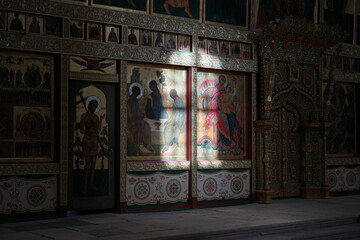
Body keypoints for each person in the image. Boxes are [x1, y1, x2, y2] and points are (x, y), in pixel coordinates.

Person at [80, 99, 105, 194]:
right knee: (87, 165)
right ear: (89, 105)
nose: (94, 108)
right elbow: (82, 130)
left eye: (96, 106)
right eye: (93, 106)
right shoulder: (84, 116)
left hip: (94, 141)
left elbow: (97, 130)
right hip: (87, 140)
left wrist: (101, 120)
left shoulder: (96, 117)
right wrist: (89, 133)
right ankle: (85, 186)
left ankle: (91, 184)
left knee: (93, 165)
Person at [127, 85, 154, 154]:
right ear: (134, 92)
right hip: (132, 122)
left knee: (147, 125)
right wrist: (134, 120)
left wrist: (141, 115)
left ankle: (147, 145)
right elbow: (130, 113)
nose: (138, 93)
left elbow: (139, 111)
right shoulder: (130, 101)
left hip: (137, 120)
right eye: (137, 92)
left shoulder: (136, 101)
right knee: (141, 125)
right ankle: (138, 145)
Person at [162, 89, 184, 153]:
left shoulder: (179, 102)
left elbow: (182, 113)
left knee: (167, 129)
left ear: (175, 94)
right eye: (171, 96)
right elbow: (174, 114)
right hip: (175, 121)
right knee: (167, 127)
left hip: (179, 122)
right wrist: (168, 121)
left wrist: (177, 121)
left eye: (172, 95)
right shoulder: (175, 101)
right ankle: (169, 142)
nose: (171, 97)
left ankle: (167, 145)